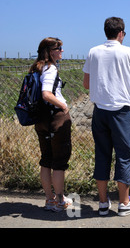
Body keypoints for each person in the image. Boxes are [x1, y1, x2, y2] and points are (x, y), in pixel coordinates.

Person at [83, 17, 130, 216]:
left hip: (99, 111)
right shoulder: (128, 52)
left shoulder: (93, 51)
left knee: (102, 154)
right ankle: (124, 202)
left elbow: (86, 83)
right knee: (124, 155)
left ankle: (103, 203)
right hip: (120, 112)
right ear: (121, 33)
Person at [30, 37, 72, 212]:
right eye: (59, 48)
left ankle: (49, 200)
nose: (62, 51)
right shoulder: (51, 68)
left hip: (40, 119)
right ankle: (60, 200)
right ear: (50, 51)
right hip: (55, 118)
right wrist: (63, 105)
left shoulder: (36, 68)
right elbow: (46, 93)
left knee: (46, 159)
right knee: (59, 161)